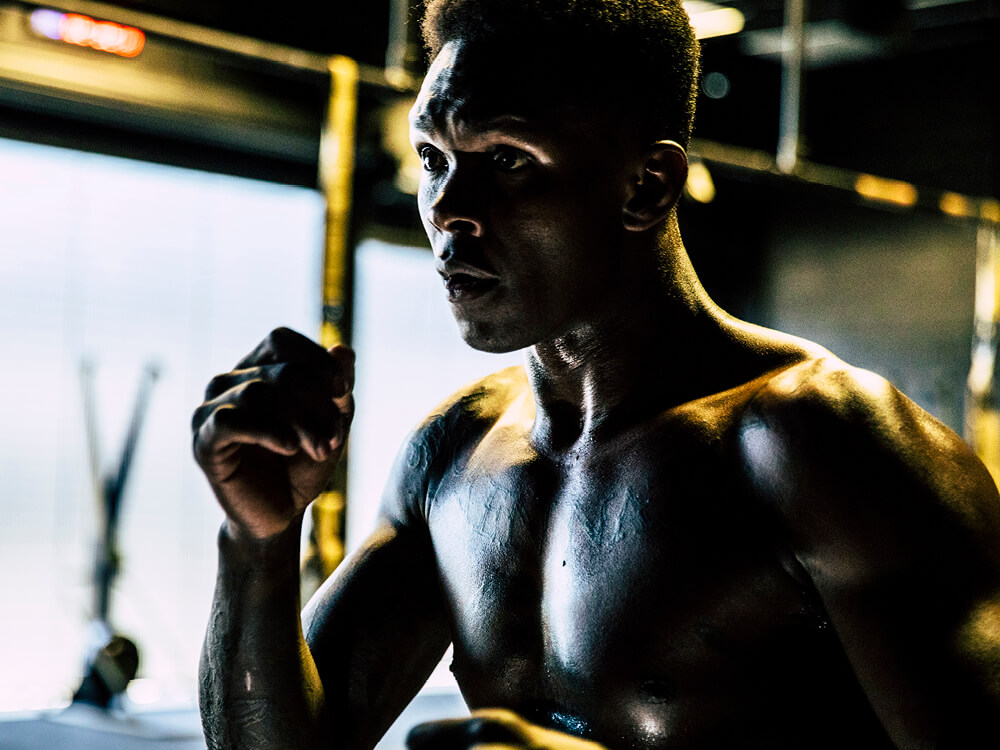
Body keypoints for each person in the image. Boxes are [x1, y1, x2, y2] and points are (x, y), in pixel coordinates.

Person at [191, 1, 1000, 748]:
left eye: (506, 159)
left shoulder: (824, 444)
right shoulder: (452, 455)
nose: (444, 206)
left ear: (646, 186)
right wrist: (257, 542)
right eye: (433, 156)